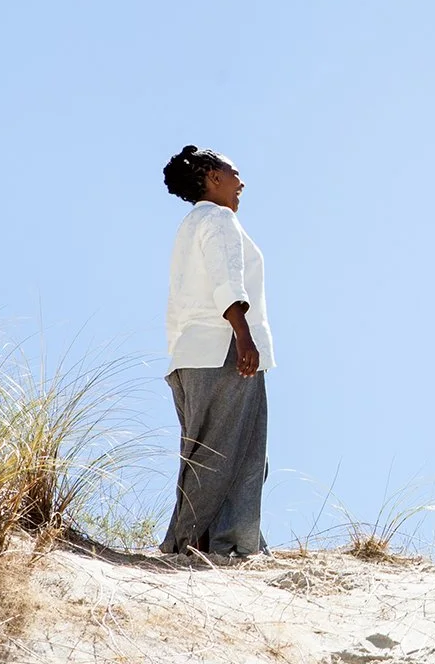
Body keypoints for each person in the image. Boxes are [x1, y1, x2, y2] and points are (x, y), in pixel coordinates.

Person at [158, 145, 275, 560]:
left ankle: (198, 542)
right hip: (223, 347)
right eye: (234, 172)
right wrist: (244, 335)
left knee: (205, 452)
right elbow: (227, 279)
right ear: (213, 176)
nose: (241, 182)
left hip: (190, 355)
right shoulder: (220, 219)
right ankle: (217, 545)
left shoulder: (190, 225)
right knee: (235, 450)